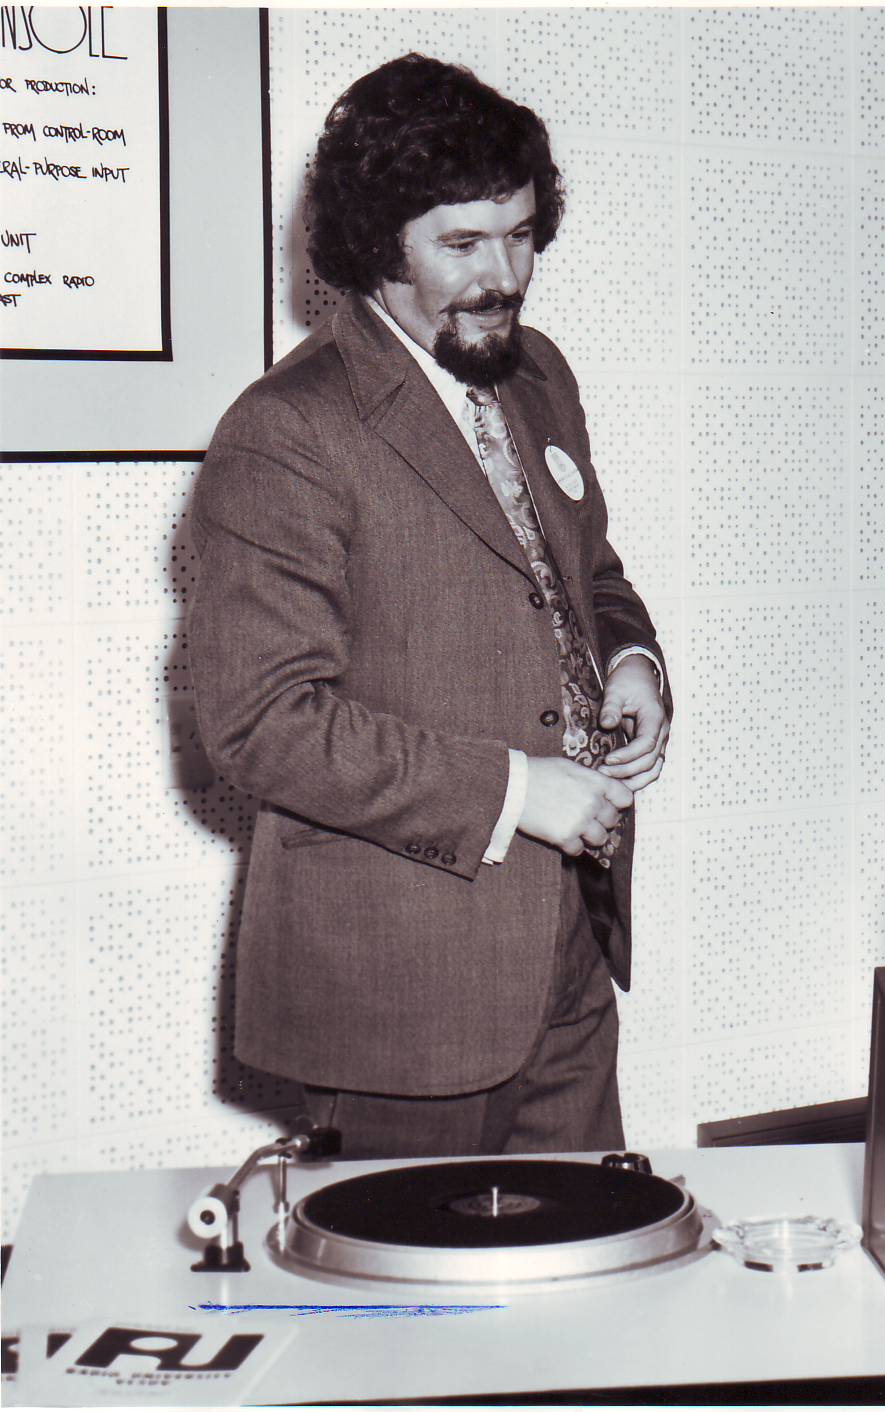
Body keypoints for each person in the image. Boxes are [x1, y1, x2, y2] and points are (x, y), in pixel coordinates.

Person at [191, 55, 668, 1158]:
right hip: (400, 984)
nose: (504, 275)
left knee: (581, 1247)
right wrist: (517, 791)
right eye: (462, 243)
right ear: (378, 245)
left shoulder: (537, 374)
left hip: (570, 940)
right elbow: (260, 723)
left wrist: (632, 659)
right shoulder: (286, 431)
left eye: (521, 234)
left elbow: (586, 574)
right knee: (406, 1269)